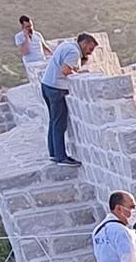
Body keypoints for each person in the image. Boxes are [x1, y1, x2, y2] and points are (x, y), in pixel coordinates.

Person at [41, 33, 98, 166]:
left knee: (53, 121)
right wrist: (78, 75)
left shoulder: (67, 45)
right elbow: (66, 70)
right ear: (84, 44)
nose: (90, 53)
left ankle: (54, 154)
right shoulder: (73, 52)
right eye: (90, 49)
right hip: (56, 89)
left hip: (47, 85)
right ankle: (61, 158)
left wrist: (83, 60)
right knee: (60, 124)